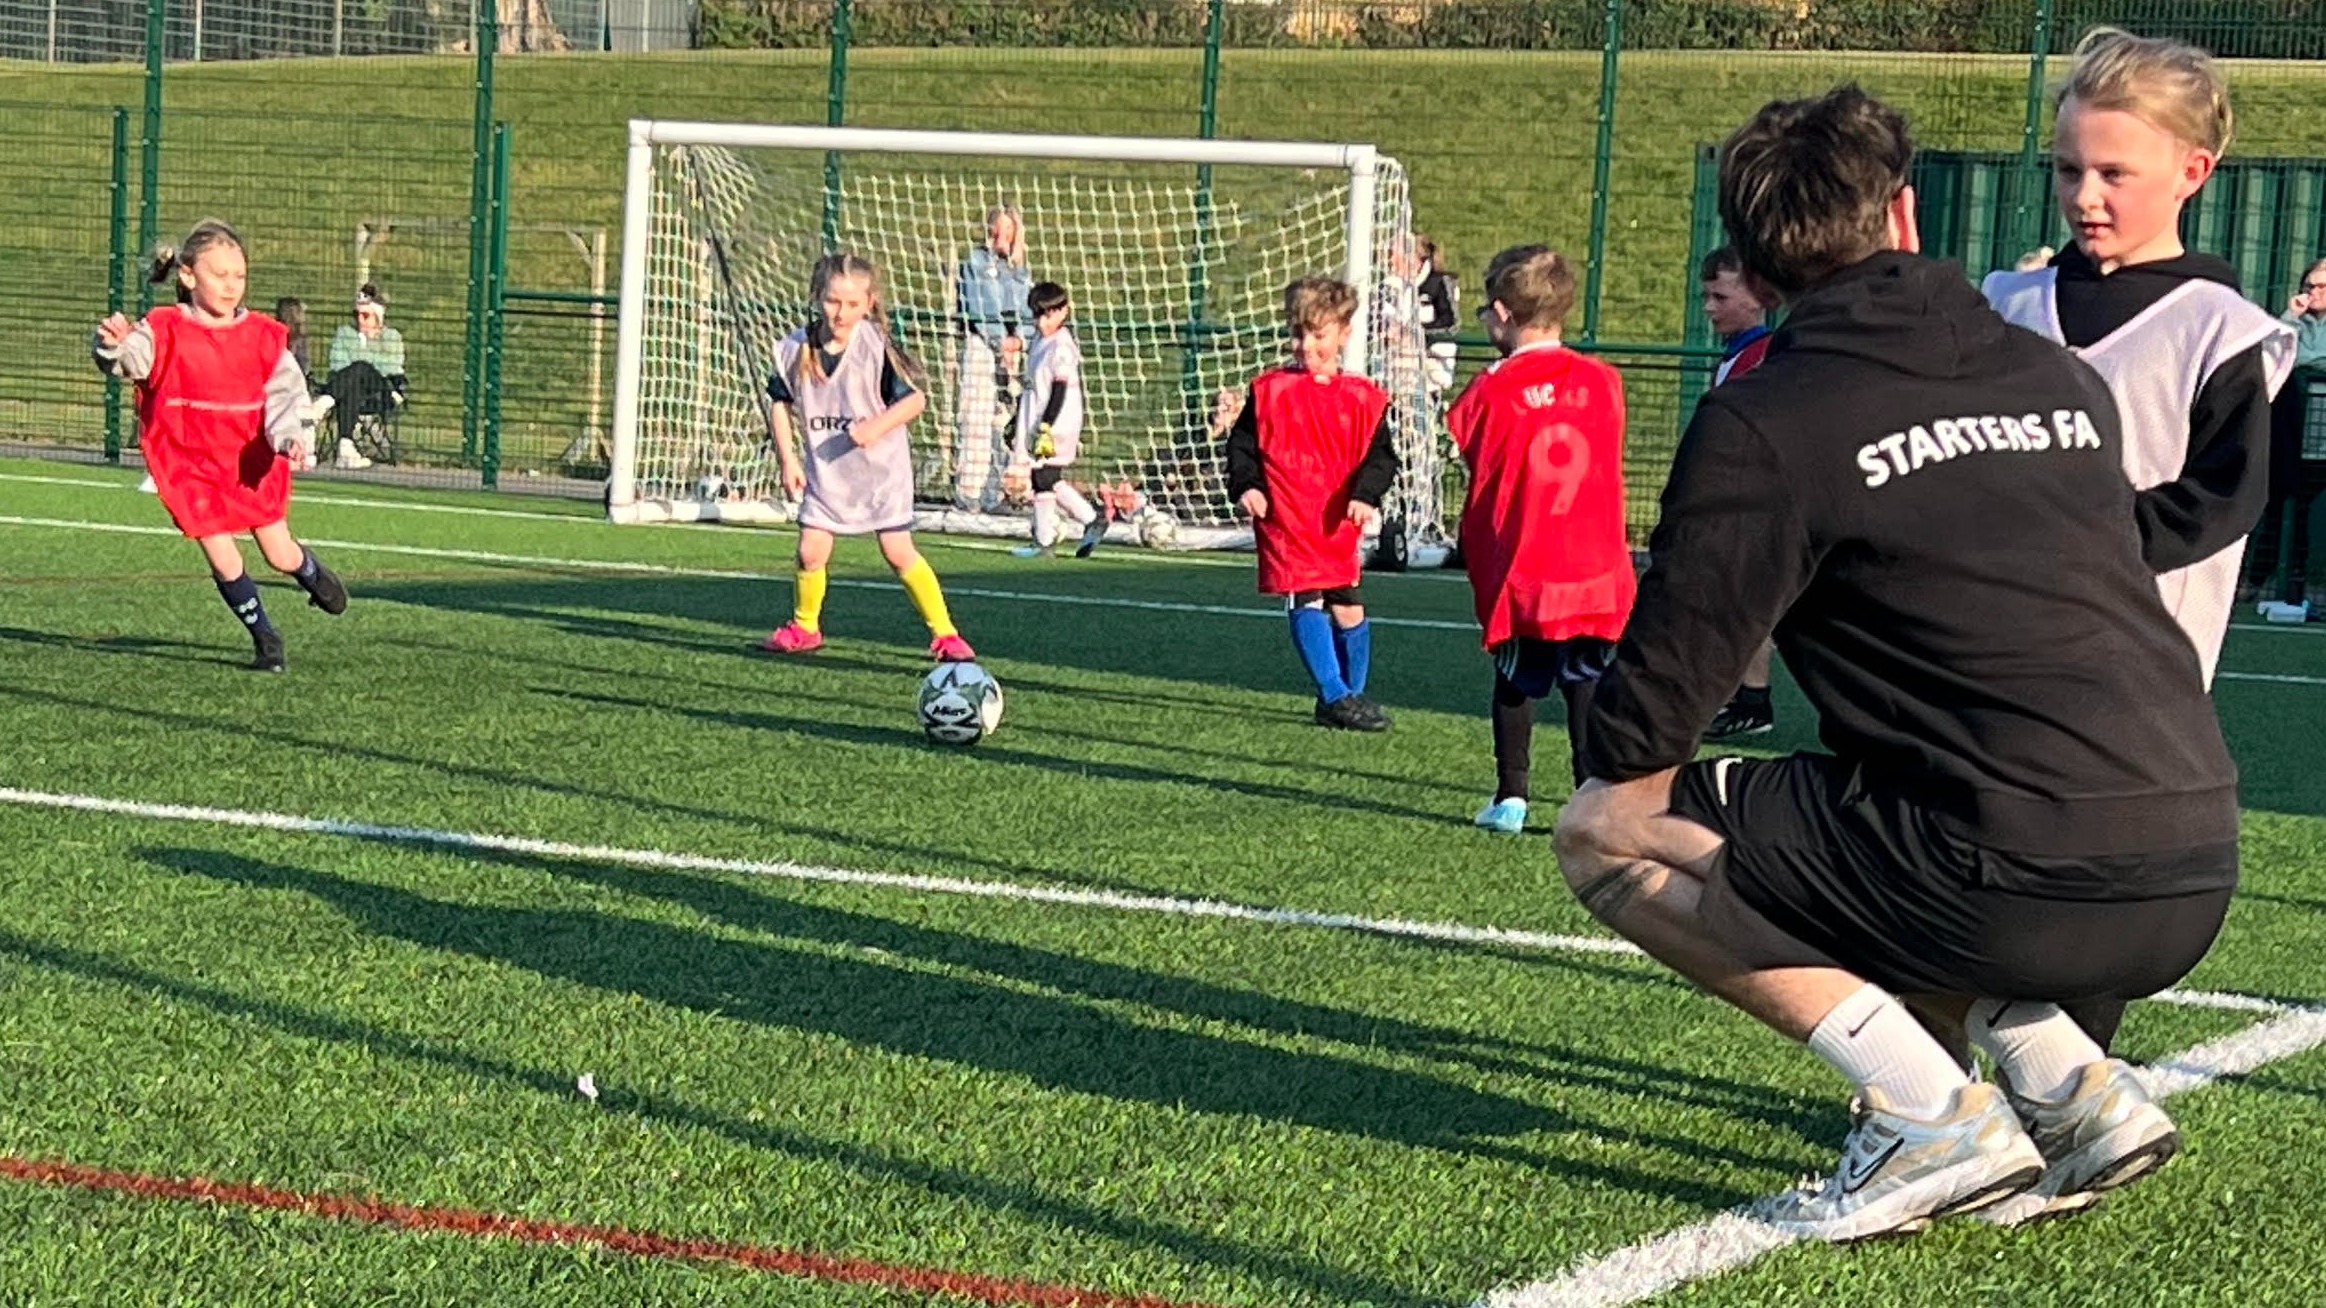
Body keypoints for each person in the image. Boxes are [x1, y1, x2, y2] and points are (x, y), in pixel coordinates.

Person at [1556, 85, 2241, 1243]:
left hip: (2015, 872)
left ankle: (1925, 1112)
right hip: (2193, 858)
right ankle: (2067, 1080)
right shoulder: (2055, 379)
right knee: (1875, 823)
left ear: (1756, 271)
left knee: (1602, 825)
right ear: (1906, 215)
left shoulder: (1767, 421)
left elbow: (1646, 729)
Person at [1984, 27, 2294, 690]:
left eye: (2113, 174)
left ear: (2192, 171)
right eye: (2069, 170)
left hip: (2136, 687)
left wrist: (2072, 542)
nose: (2084, 197)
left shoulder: (2223, 332)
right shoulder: (2007, 304)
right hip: (1994, 650)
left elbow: (2221, 499)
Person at [91, 220, 348, 672]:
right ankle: (266, 638)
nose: (232, 286)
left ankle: (309, 572)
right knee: (223, 555)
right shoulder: (164, 327)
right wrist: (114, 345)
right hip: (191, 465)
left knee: (278, 552)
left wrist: (290, 438)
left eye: (239, 276)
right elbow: (133, 362)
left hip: (250, 458)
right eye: (220, 275)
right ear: (188, 276)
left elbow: (286, 395)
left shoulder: (264, 337)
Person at [1448, 245, 1632, 834]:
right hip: (1595, 564)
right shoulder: (1603, 380)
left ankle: (1512, 796)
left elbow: (1466, 445)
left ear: (1502, 313)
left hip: (1526, 565)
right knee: (1587, 678)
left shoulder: (1492, 387)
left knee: (1515, 679)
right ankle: (1589, 794)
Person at [760, 251, 977, 663]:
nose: (841, 313)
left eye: (853, 304)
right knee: (810, 550)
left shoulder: (874, 346)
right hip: (828, 473)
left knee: (897, 551)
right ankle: (805, 626)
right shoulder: (794, 347)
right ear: (816, 296)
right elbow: (779, 402)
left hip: (880, 473)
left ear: (869, 302)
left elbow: (915, 401)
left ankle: (947, 634)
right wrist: (788, 459)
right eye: (832, 301)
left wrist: (874, 428)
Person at [1225, 276, 1400, 732]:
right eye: (1298, 334)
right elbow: (1241, 446)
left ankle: (1346, 695)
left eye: (1317, 335)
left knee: (1349, 606)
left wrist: (1365, 495)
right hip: (1287, 515)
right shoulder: (1269, 391)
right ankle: (1336, 694)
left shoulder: (1364, 399)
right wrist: (1248, 485)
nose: (1306, 345)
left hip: (1336, 519)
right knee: (1305, 593)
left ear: (1343, 333)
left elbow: (1382, 458)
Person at [1697, 245, 1781, 741]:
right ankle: (1747, 699)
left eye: (1720, 296)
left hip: (1755, 501)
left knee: (1745, 604)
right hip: (1741, 498)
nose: (1709, 307)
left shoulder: (1765, 353)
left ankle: (1751, 700)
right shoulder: (1739, 355)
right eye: (1705, 296)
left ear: (1756, 297)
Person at [1009, 282, 1107, 559]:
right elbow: (1033, 387)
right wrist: (1017, 420)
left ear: (1063, 311)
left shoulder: (1061, 346)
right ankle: (1076, 526)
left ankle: (1053, 537)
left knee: (1044, 476)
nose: (1042, 321)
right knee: (1045, 477)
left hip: (1057, 421)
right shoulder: (1041, 341)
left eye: (1048, 315)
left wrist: (1046, 424)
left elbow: (1059, 390)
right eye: (1038, 315)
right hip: (1038, 418)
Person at [2253, 256, 2326, 606]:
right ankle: (2269, 579)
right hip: (2293, 434)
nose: (2314, 292)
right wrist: (2289, 318)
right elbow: (2271, 355)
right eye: (2309, 285)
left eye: (2322, 286)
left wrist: (2302, 359)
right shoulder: (2295, 322)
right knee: (2282, 505)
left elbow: (2301, 359)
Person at [954, 203, 1032, 512]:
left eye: (1010, 229)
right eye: (998, 227)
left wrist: (1020, 342)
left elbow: (1028, 312)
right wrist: (1002, 342)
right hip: (983, 346)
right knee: (975, 418)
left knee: (1006, 420)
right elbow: (981, 307)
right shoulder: (975, 262)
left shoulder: (1021, 271)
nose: (1003, 235)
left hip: (1014, 351)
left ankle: (997, 492)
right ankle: (969, 492)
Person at [315, 283, 408, 471]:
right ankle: (346, 448)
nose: (360, 320)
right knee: (354, 384)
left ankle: (324, 402)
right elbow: (337, 363)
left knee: (359, 368)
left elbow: (390, 367)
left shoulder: (392, 337)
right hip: (351, 390)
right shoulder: (344, 333)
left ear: (378, 317)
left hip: (381, 390)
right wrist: (367, 359)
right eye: (356, 314)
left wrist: (361, 357)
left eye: (365, 315)